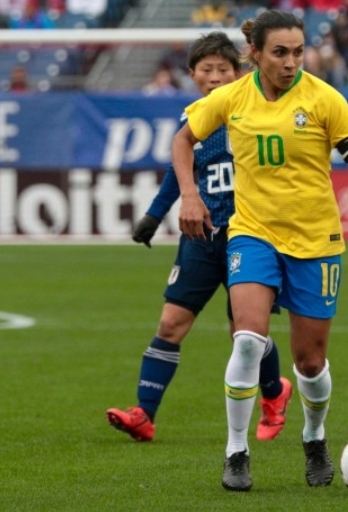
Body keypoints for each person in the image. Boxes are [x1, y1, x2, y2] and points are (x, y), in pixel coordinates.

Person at [170, 10, 348, 492]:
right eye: (280, 53)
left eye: (297, 52)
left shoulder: (324, 99)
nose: (291, 62)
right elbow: (183, 139)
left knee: (309, 363)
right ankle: (236, 451)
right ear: (255, 54)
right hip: (251, 233)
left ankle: (314, 436)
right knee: (247, 338)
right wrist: (189, 194)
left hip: (315, 241)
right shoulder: (231, 98)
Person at [106, 31, 293, 444]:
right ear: (192, 74)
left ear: (238, 72)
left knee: (244, 333)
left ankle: (274, 392)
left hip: (252, 236)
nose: (213, 78)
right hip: (202, 237)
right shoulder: (193, 121)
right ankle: (144, 413)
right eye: (205, 70)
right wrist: (154, 216)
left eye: (222, 70)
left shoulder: (257, 113)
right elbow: (180, 170)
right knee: (171, 323)